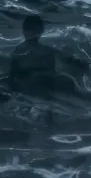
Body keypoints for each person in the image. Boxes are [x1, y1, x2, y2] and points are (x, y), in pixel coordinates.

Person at [8, 14, 58, 149]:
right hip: (40, 94)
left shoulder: (18, 50)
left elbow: (12, 76)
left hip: (26, 94)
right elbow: (52, 77)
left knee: (24, 124)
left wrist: (12, 92)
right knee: (46, 123)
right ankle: (48, 147)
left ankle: (24, 148)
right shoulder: (47, 52)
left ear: (23, 30)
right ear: (41, 31)